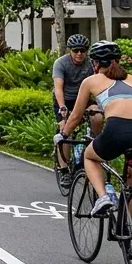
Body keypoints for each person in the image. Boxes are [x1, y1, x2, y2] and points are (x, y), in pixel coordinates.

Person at [56, 41, 132, 255]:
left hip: (118, 129)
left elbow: (74, 116)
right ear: (118, 61)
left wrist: (62, 135)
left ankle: (103, 197)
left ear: (94, 63)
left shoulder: (91, 80)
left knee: (90, 157)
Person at [52, 34, 96, 193]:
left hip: (83, 99)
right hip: (65, 99)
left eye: (83, 51)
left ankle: (94, 149)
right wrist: (62, 107)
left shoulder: (91, 64)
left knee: (97, 116)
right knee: (66, 131)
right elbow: (58, 87)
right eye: (76, 50)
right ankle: (64, 169)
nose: (79, 54)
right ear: (69, 51)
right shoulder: (61, 63)